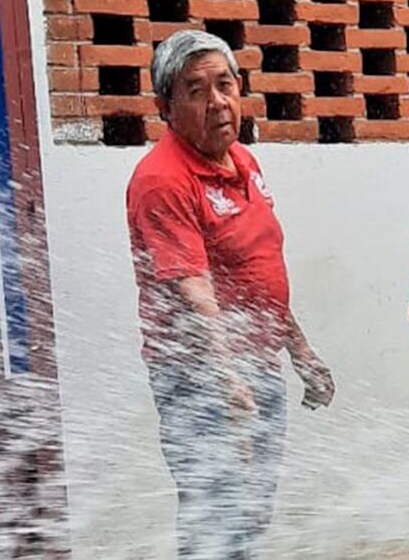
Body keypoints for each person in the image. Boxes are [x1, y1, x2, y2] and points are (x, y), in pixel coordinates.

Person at [125, 30, 335, 558]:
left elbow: (259, 272)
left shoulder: (243, 161)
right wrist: (226, 378)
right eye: (195, 90)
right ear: (164, 107)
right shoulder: (162, 180)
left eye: (225, 85)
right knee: (214, 520)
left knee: (251, 513)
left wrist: (301, 353)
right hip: (201, 377)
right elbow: (192, 290)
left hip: (255, 366)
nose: (217, 101)